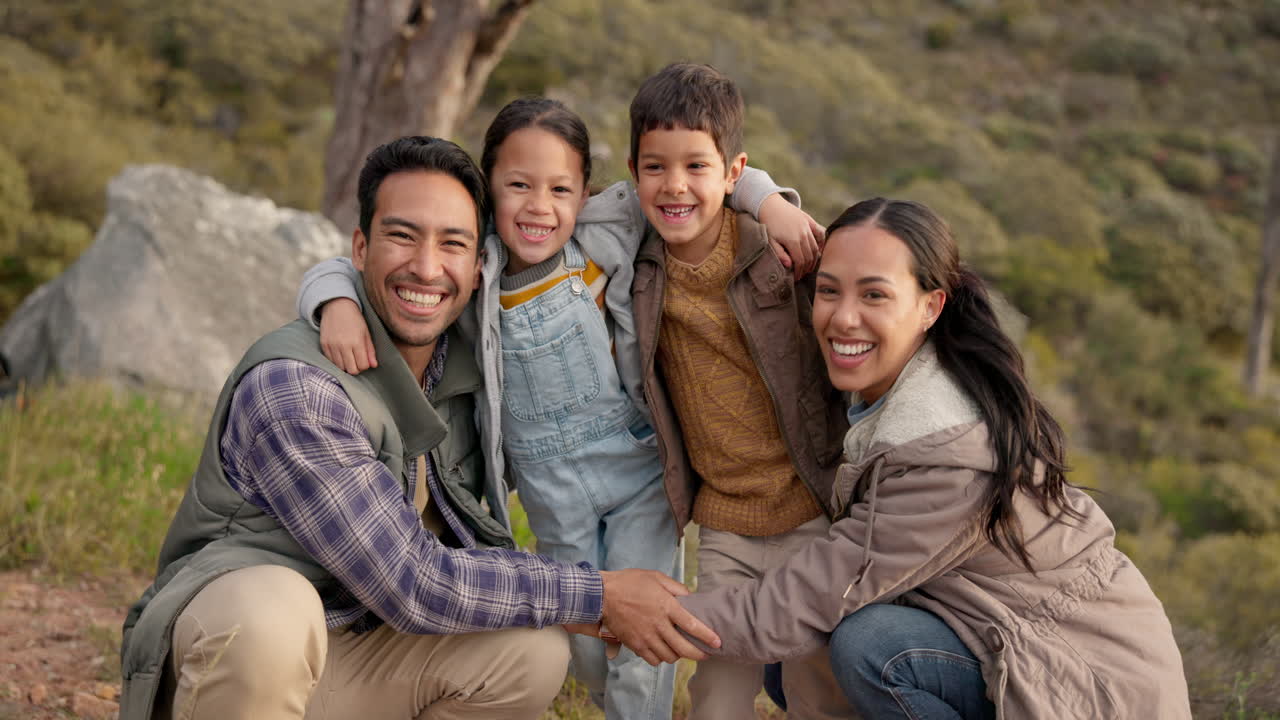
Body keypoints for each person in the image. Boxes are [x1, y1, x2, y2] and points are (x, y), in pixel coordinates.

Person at [118, 136, 720, 720]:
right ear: (361, 247)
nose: (427, 268)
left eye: (452, 243)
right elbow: (409, 581)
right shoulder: (297, 389)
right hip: (240, 656)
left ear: (478, 265)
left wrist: (759, 200)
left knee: (530, 652)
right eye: (402, 236)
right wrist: (601, 595)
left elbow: (690, 186)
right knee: (273, 612)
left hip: (352, 651)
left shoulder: (469, 359)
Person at [677, 197, 1193, 719]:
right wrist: (765, 199)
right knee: (791, 663)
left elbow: (813, 599)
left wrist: (654, 614)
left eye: (875, 295)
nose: (844, 318)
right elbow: (699, 170)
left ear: (931, 306)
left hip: (1083, 681)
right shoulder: (891, 381)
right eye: (829, 291)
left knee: (867, 646)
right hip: (993, 631)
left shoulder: (944, 447)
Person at [621, 62, 851, 720]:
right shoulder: (634, 256)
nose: (674, 185)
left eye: (696, 167)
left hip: (811, 512)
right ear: (633, 172)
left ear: (732, 172)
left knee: (818, 692)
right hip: (726, 525)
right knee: (717, 695)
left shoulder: (774, 254)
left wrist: (771, 202)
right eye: (655, 167)